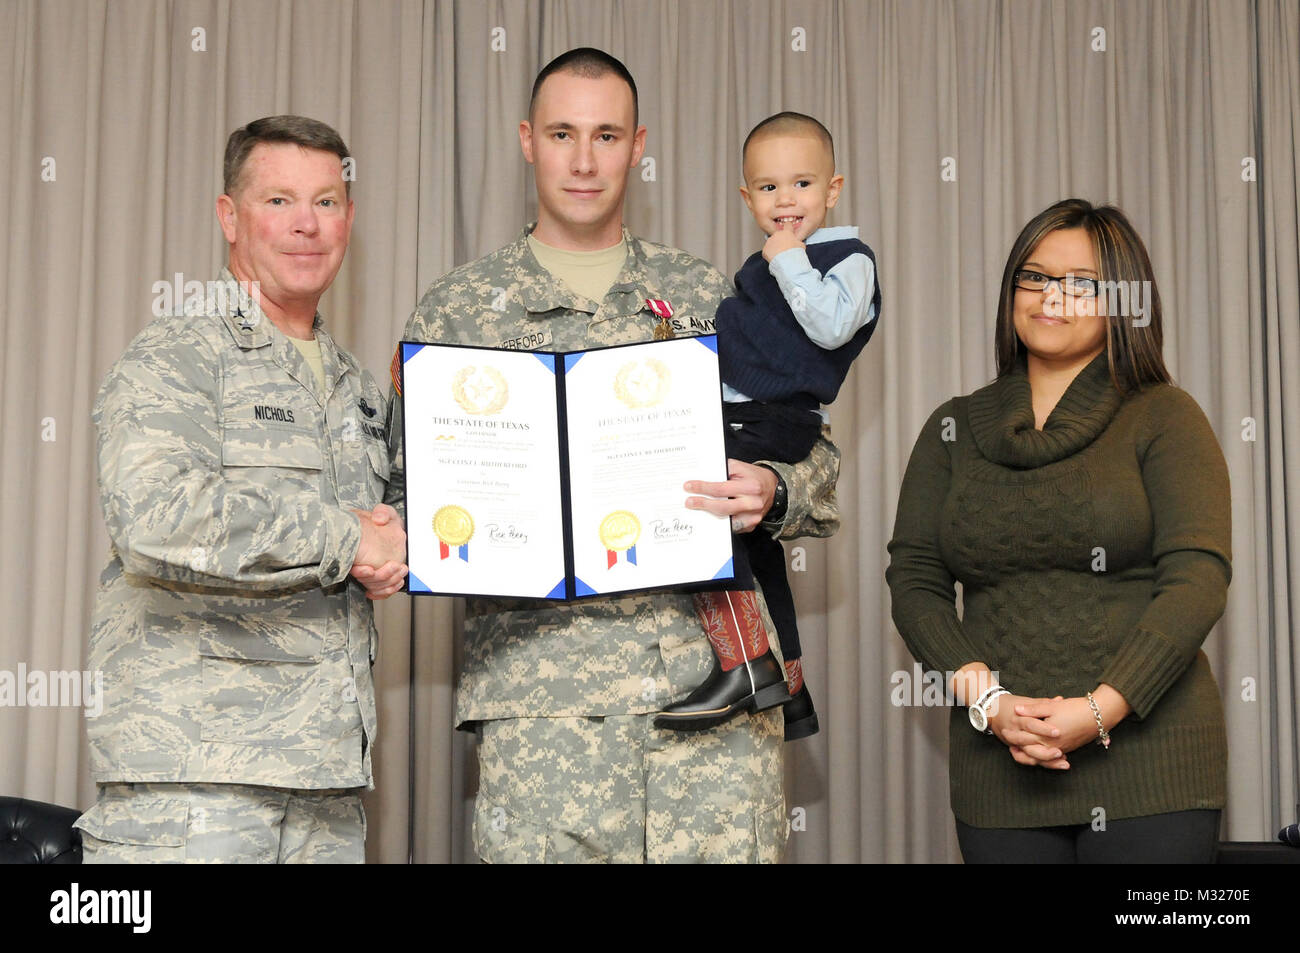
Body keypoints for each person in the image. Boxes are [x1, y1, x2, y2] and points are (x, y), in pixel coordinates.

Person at [386, 49, 841, 863]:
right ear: (528, 140)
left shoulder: (712, 298)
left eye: (608, 135)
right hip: (544, 723)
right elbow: (404, 489)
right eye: (563, 133)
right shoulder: (456, 311)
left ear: (639, 146)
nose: (585, 160)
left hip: (714, 715)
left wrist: (773, 488)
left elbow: (815, 451)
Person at [75, 116, 408, 863]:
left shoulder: (357, 384)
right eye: (278, 200)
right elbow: (155, 515)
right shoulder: (177, 353)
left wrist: (405, 541)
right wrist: (352, 536)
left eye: (326, 202)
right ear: (230, 216)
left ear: (348, 219)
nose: (306, 225)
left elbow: (389, 521)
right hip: (196, 783)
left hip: (326, 783)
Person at [886, 198, 1230, 863]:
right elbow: (916, 580)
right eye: (1035, 276)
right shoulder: (952, 428)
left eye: (1082, 283)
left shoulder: (1165, 416)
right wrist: (987, 699)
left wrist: (1099, 709)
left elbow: (1198, 578)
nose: (1052, 296)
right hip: (998, 765)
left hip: (1153, 766)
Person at [654, 111, 880, 740]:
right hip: (738, 411)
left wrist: (787, 260)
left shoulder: (845, 259)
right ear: (747, 196)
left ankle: (746, 664)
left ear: (833, 190)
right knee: (757, 548)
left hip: (774, 417)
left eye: (803, 185)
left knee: (694, 517)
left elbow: (832, 326)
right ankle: (792, 683)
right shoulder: (759, 266)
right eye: (770, 188)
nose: (787, 200)